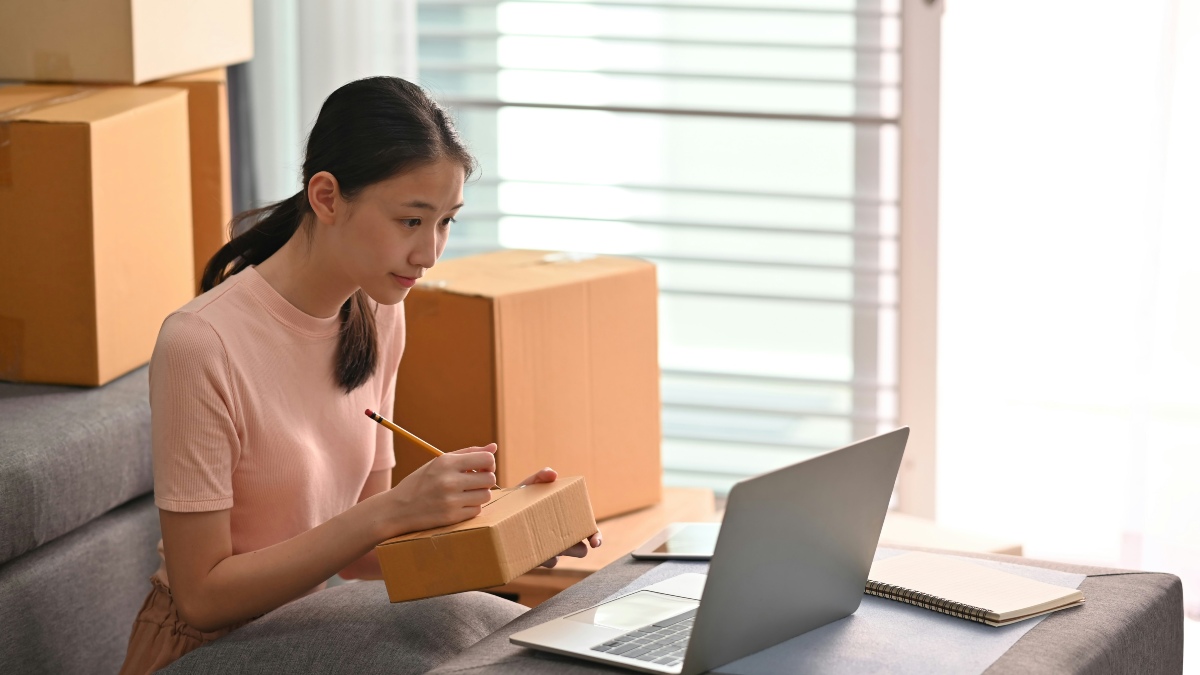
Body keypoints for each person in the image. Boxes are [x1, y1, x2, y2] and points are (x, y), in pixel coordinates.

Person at [119, 76, 602, 675]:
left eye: (446, 222)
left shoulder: (378, 312)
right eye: (410, 221)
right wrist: (390, 511)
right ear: (326, 198)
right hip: (204, 650)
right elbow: (202, 597)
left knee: (510, 640)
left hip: (307, 631)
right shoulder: (200, 344)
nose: (429, 254)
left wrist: (508, 533)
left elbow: (367, 558)